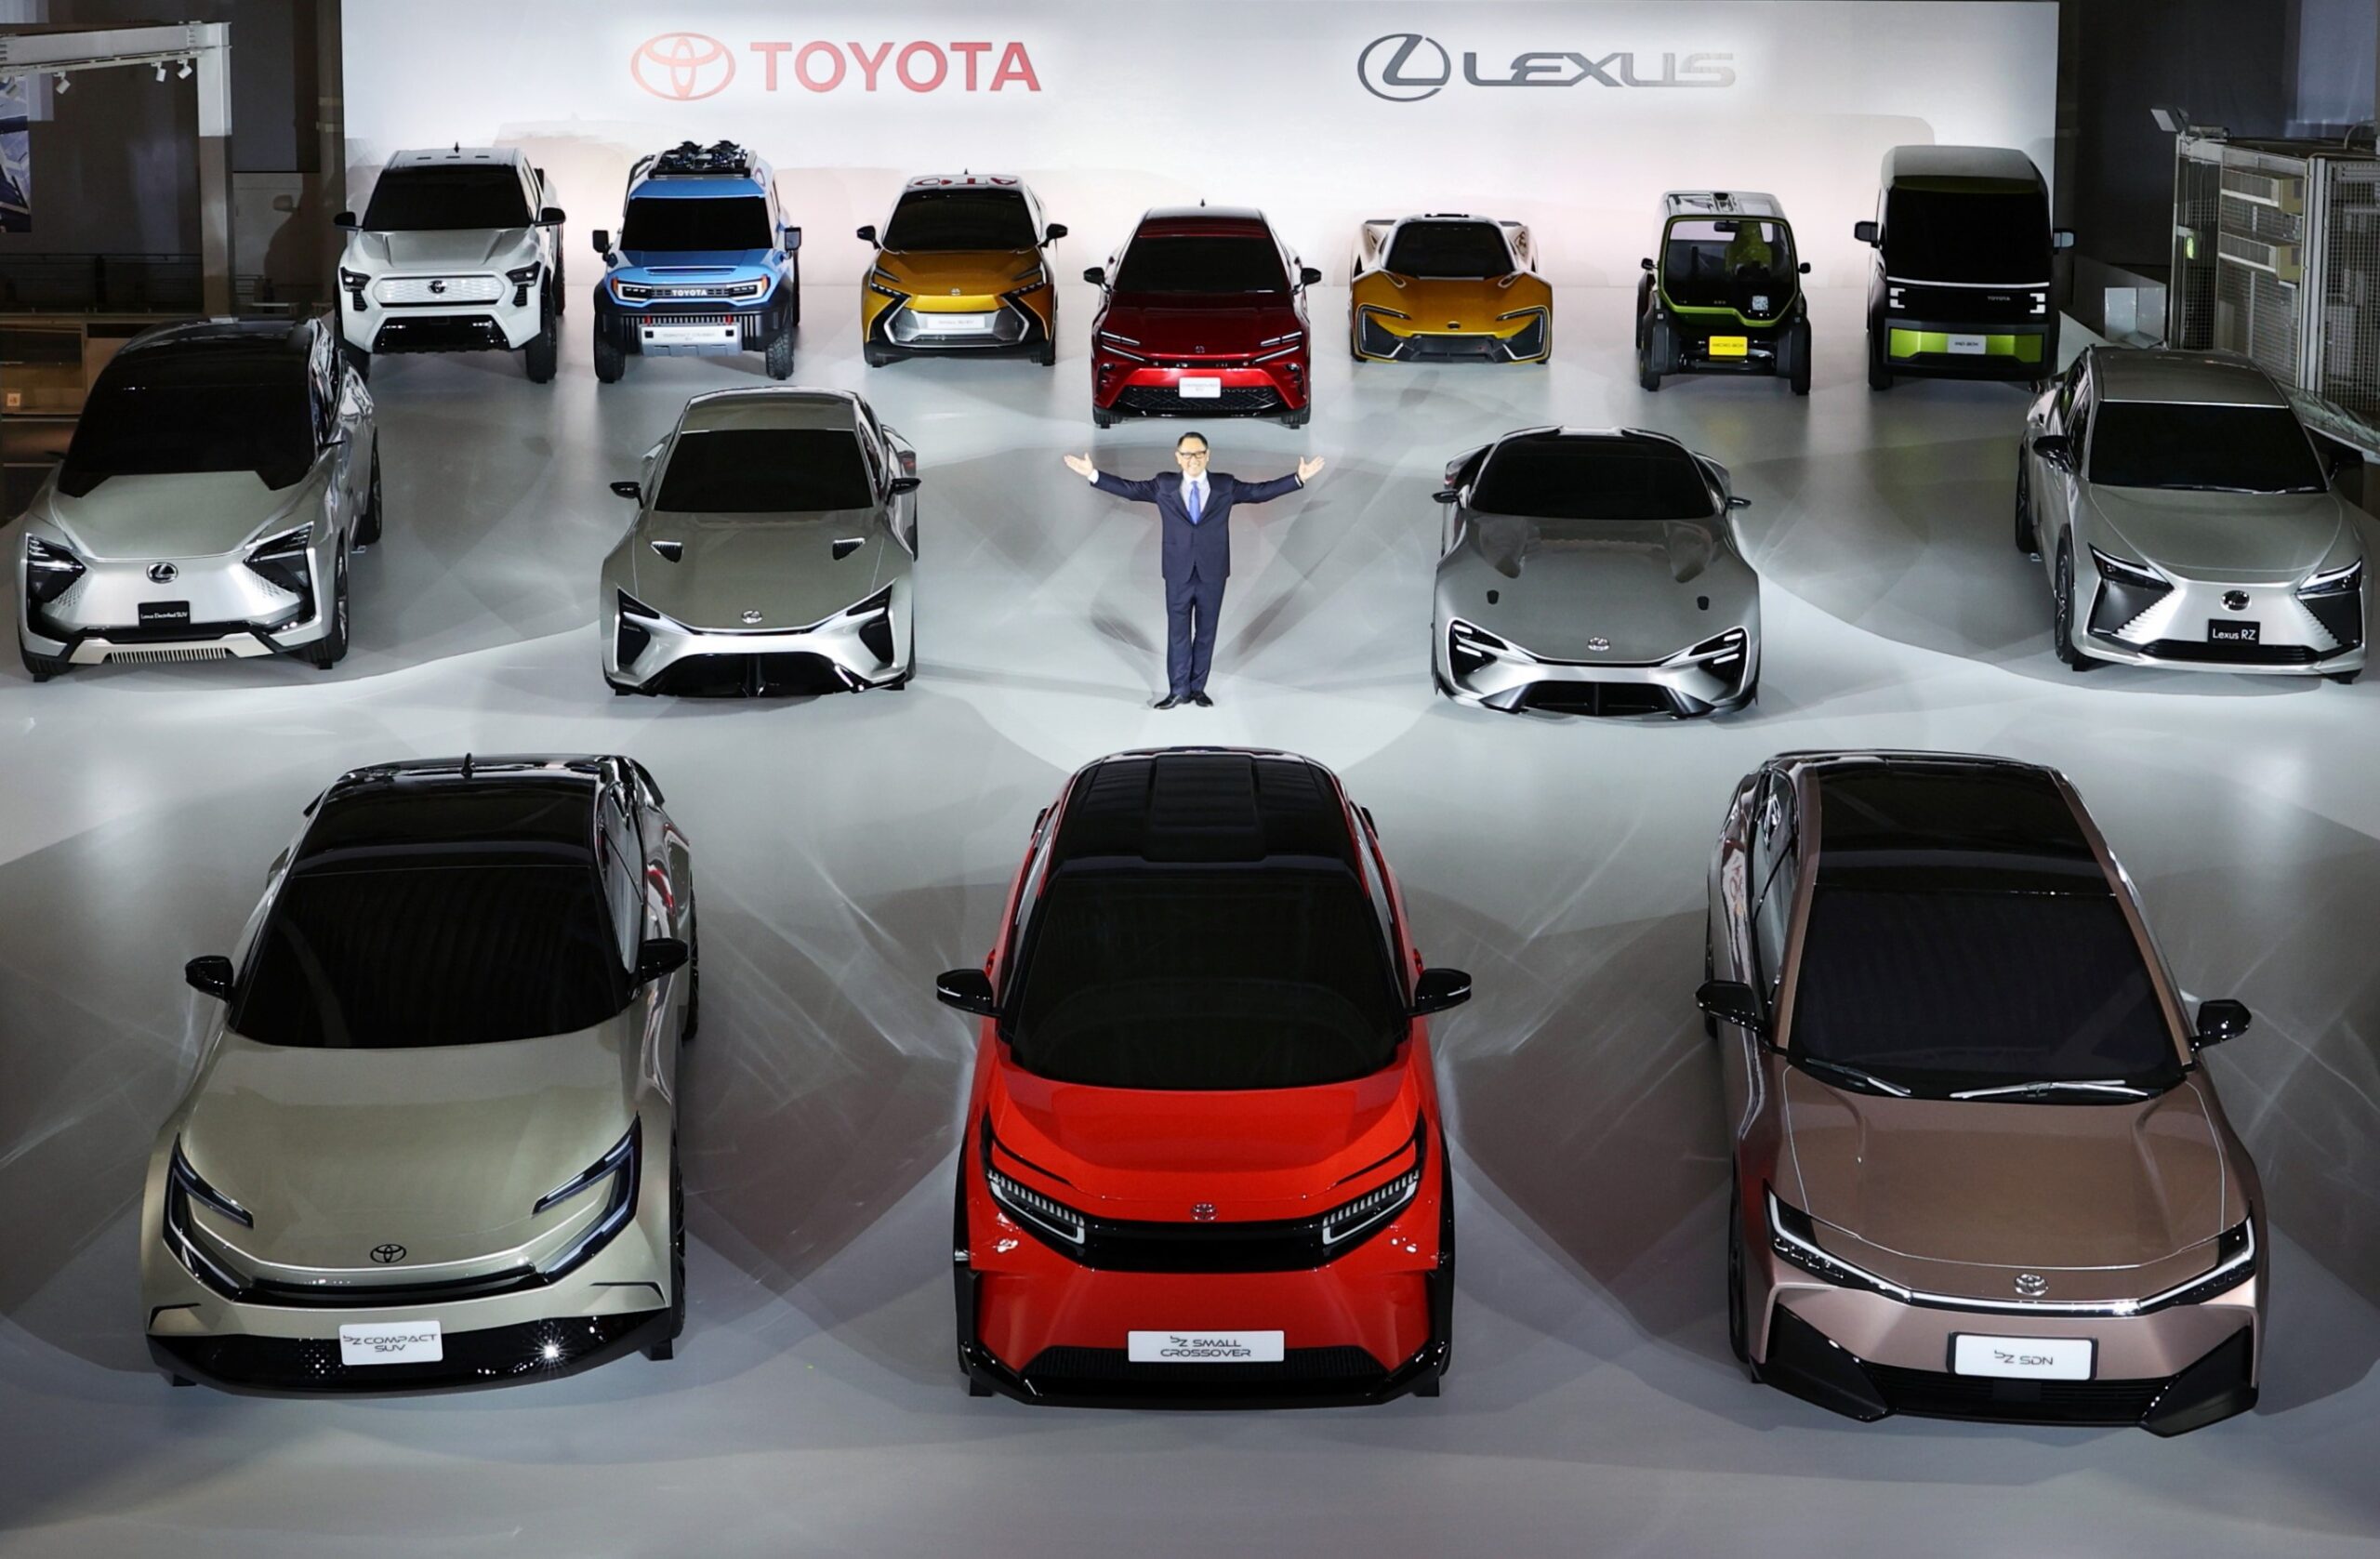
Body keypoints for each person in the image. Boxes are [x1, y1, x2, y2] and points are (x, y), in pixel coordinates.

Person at [1064, 433, 1325, 708]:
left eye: (1199, 454)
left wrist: (1298, 478)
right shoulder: (1163, 485)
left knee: (1206, 632)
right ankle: (1178, 690)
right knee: (1177, 632)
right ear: (1177, 458)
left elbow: (1258, 493)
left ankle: (1198, 689)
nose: (1193, 460)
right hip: (1178, 572)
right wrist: (1092, 474)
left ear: (1208, 455)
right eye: (1187, 455)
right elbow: (1130, 489)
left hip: (1213, 572)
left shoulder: (1225, 485)